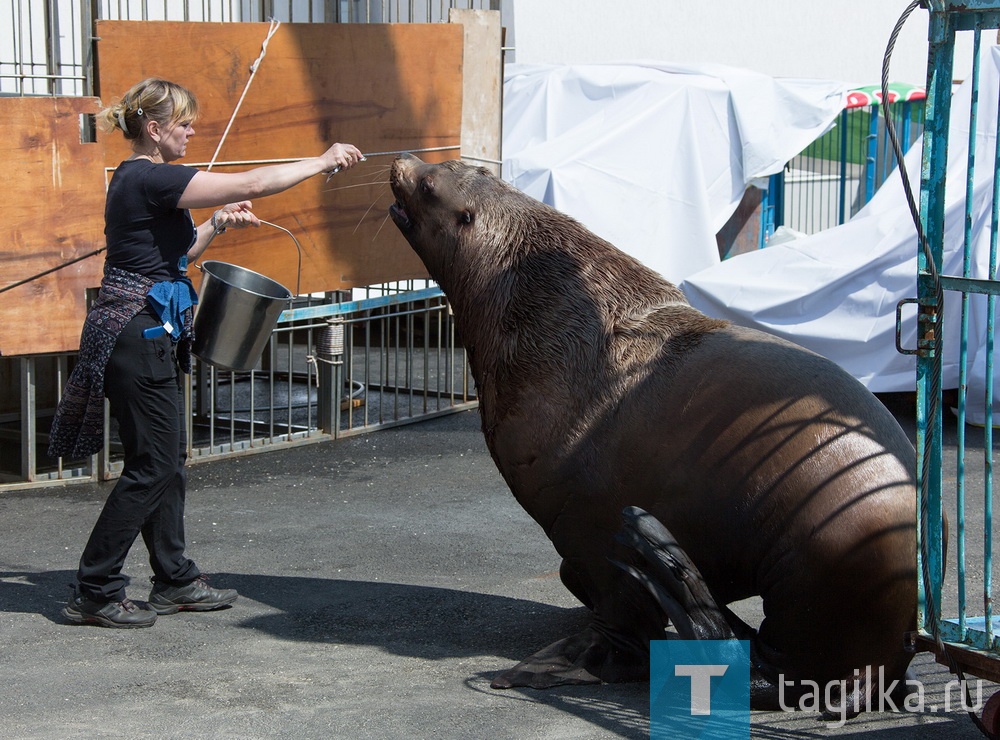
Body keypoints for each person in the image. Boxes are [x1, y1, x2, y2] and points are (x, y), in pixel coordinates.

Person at [48, 77, 363, 628]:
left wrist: (215, 224)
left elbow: (172, 260)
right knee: (152, 465)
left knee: (167, 462)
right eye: (184, 123)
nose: (193, 131)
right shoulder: (148, 176)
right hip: (135, 332)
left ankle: (173, 579)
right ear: (154, 129)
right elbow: (258, 180)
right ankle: (95, 589)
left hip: (151, 329)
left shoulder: (143, 180)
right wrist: (322, 161)